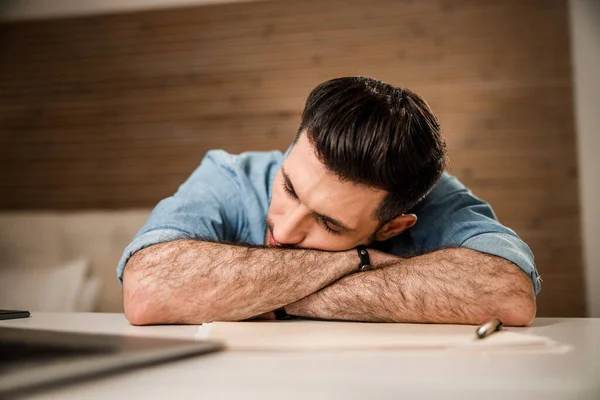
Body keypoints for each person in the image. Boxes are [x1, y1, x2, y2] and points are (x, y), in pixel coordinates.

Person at [118, 76, 540, 326]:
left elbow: (508, 292)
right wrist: (357, 260)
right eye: (289, 187)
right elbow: (147, 289)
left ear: (393, 227)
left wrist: (252, 295)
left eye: (330, 224)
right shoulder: (229, 175)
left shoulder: (435, 196)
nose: (283, 230)